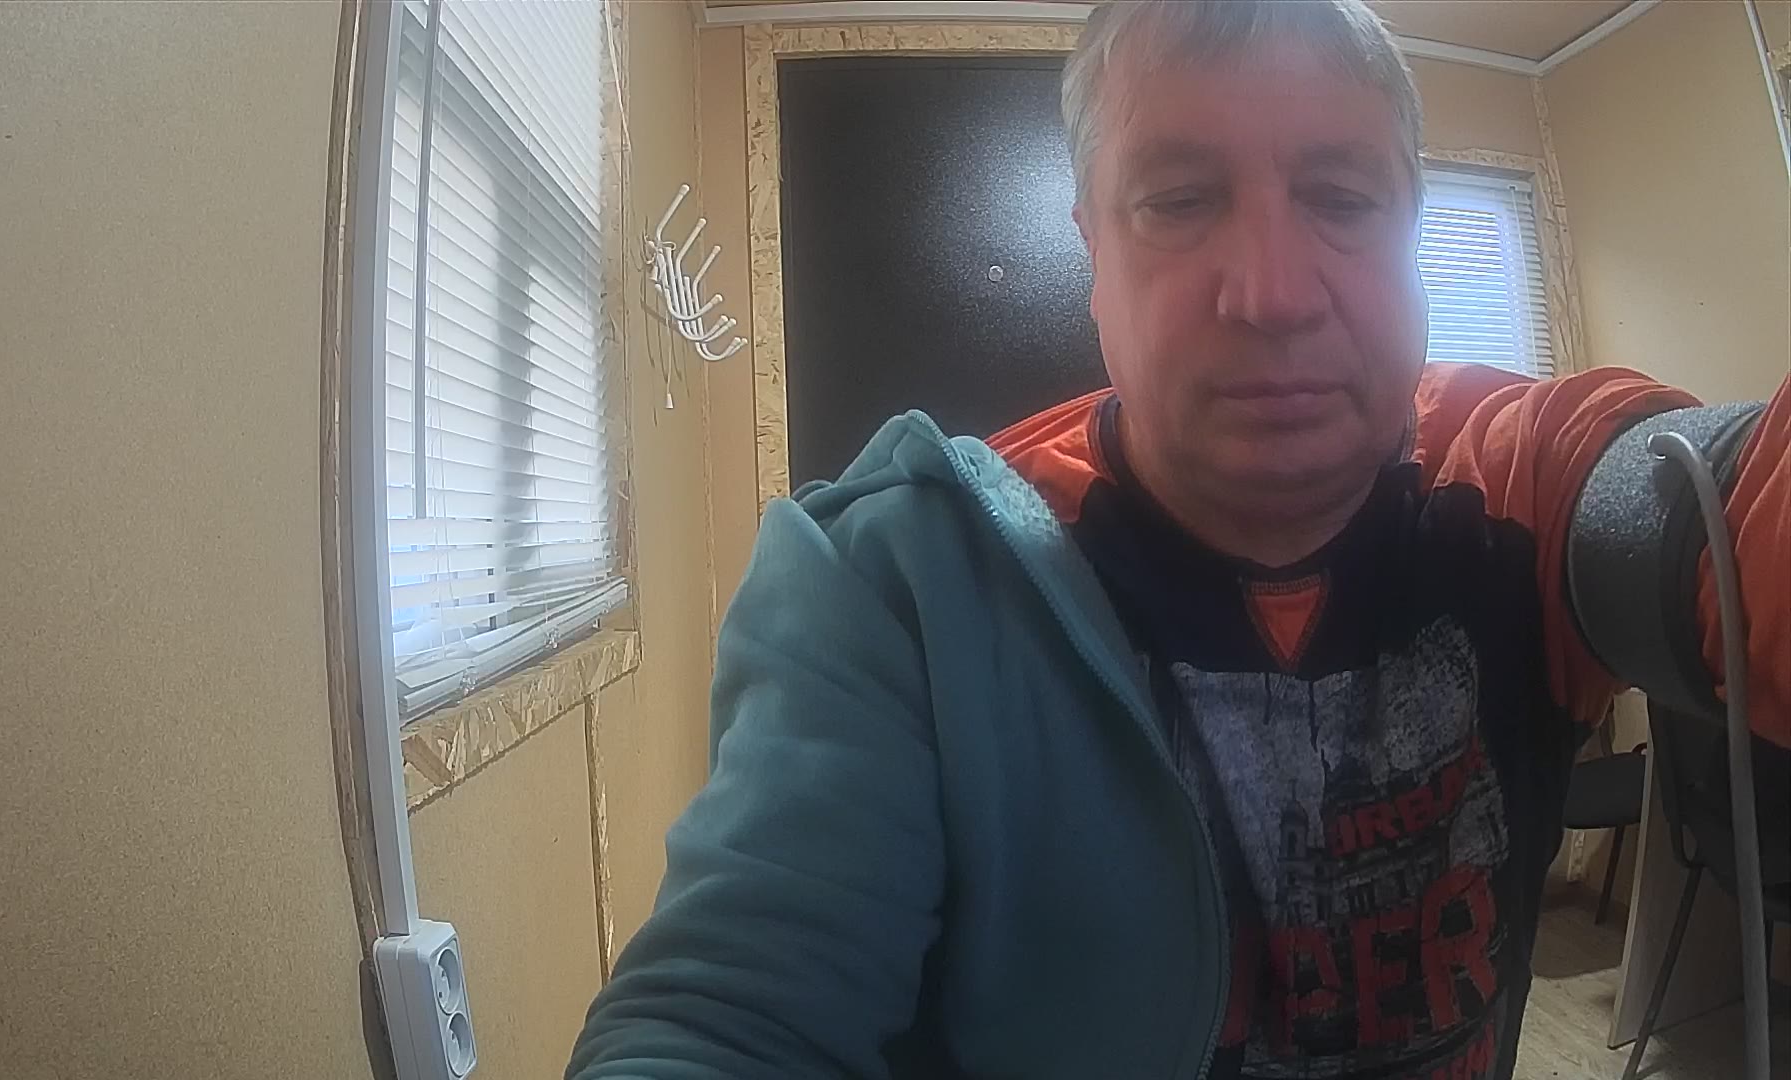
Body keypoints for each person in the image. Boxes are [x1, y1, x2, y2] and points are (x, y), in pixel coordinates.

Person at [569, 2, 1790, 1077]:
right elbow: (731, 1019)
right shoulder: (904, 584)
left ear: (1411, 231)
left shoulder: (1527, 472)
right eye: (1181, 200)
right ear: (1093, 254)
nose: (1272, 293)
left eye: (1341, 198)